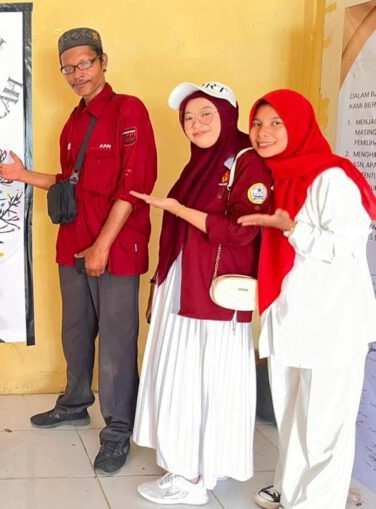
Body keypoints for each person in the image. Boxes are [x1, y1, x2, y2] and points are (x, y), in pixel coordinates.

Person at [0, 27, 157, 474]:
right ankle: (76, 401)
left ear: (103, 61)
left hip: (115, 248)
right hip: (73, 244)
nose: (77, 73)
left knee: (117, 344)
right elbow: (69, 183)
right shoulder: (74, 121)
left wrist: (102, 245)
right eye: (68, 67)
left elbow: (135, 185)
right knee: (76, 331)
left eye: (85, 63)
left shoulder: (129, 111)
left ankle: (119, 428)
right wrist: (21, 175)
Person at [130, 82, 273, 505]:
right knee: (190, 378)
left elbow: (244, 231)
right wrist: (160, 284)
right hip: (186, 288)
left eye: (206, 113)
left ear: (228, 113)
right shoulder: (202, 165)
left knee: (198, 380)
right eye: (189, 117)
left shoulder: (246, 162)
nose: (196, 124)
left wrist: (179, 210)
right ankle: (200, 466)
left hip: (210, 297)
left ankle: (190, 478)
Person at [239, 89, 376, 509]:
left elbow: (350, 246)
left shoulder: (331, 176)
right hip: (291, 320)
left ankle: (316, 503)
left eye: (276, 122)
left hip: (331, 324)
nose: (264, 133)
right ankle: (291, 489)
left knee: (324, 428)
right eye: (258, 123)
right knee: (294, 418)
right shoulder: (274, 177)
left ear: (298, 125)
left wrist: (293, 228)